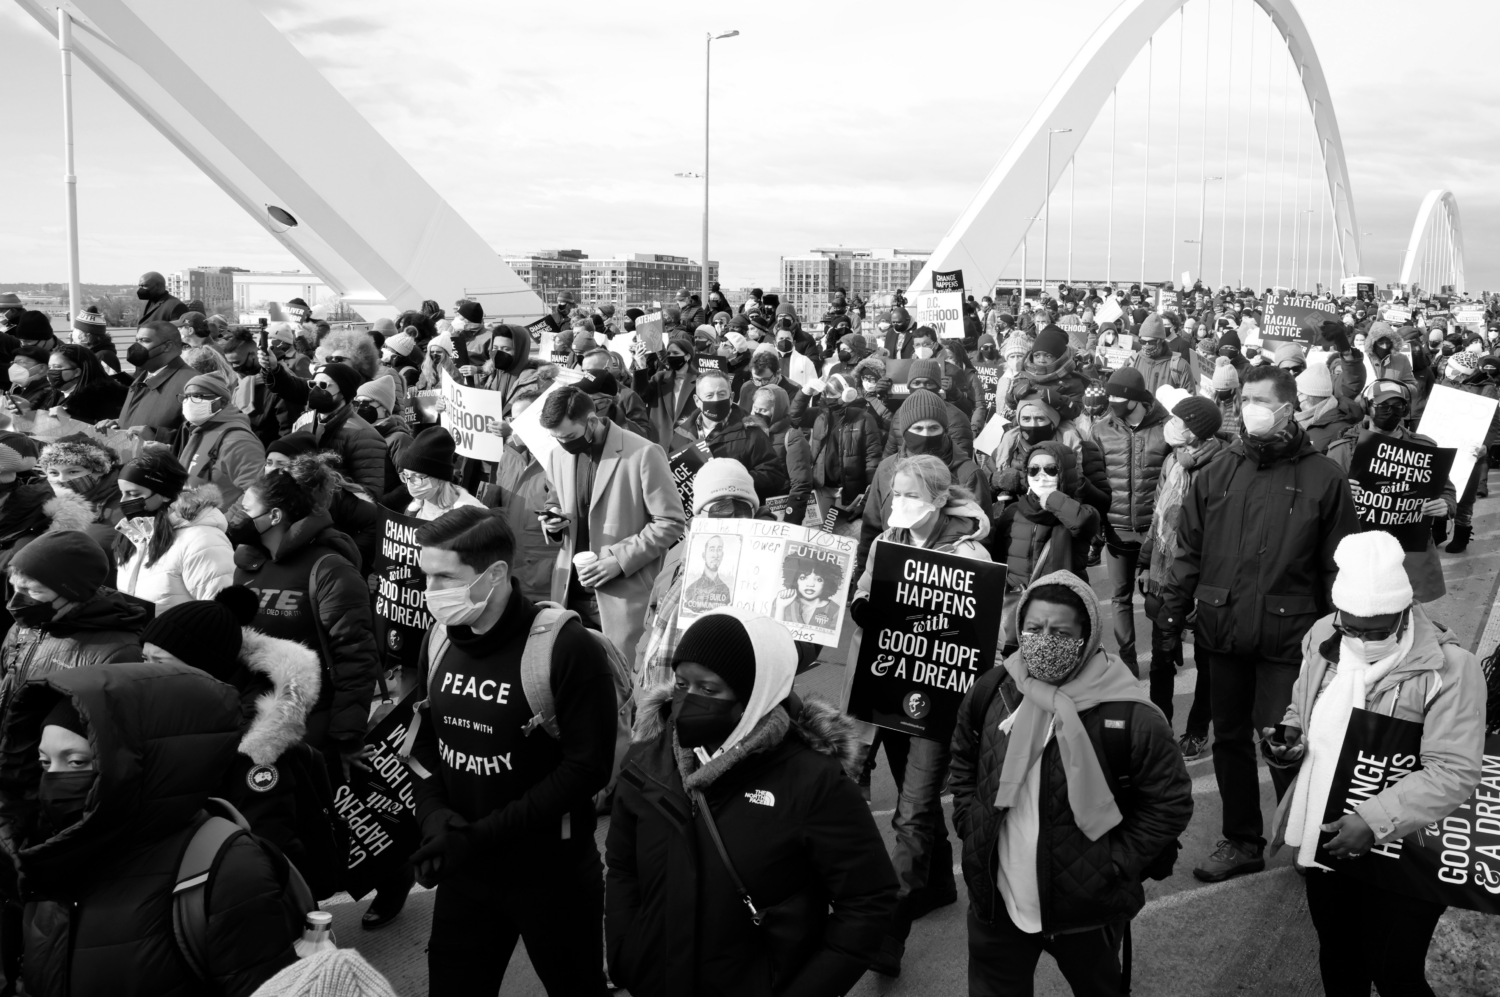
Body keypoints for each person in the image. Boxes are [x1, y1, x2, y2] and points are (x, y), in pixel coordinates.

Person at [606, 609, 898, 997]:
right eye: (680, 684)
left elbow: (867, 900)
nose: (686, 701)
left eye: (708, 690)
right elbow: (624, 867)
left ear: (755, 696)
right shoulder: (646, 764)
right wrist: (626, 949)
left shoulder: (813, 782)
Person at [404, 507, 617, 995]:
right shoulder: (438, 638)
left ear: (494, 574)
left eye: (444, 576)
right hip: (466, 872)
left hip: (552, 879)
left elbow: (587, 769)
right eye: (426, 575)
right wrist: (434, 816)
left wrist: (478, 836)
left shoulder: (566, 647)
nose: (430, 591)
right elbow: (426, 740)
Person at [1158, 365, 1359, 883]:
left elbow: (1338, 567)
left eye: (1261, 399)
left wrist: (1341, 634)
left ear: (1290, 407)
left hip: (1289, 641)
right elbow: (1190, 548)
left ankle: (1306, 833)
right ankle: (1242, 839)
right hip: (1222, 632)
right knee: (1228, 740)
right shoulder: (1220, 470)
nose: (1249, 407)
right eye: (1244, 397)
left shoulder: (1324, 477)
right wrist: (1170, 610)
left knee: (1286, 741)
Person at [950, 571, 1193, 997]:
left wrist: (1113, 865)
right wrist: (971, 823)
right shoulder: (995, 691)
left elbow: (1168, 803)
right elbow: (966, 759)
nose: (1043, 641)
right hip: (998, 900)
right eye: (1033, 628)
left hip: (1088, 907)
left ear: (1087, 636)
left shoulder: (1131, 716)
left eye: (1059, 632)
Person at [0, 662, 305, 995]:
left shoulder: (226, 869)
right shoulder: (46, 852)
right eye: (45, 762)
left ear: (139, 764)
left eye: (77, 763)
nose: (53, 780)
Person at [1266, 531, 1484, 997]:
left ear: (1405, 612)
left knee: (1394, 971)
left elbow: (1454, 770)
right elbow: (1305, 708)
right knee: (1339, 958)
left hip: (1406, 852)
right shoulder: (1324, 635)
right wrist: (1289, 738)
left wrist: (1373, 819)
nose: (1362, 641)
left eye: (1378, 630)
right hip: (1328, 838)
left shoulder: (1450, 669)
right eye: (1353, 628)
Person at [848, 453, 991, 976]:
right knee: (916, 793)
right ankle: (935, 884)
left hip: (935, 700)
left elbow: (978, 633)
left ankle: (891, 928)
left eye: (910, 495)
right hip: (885, 687)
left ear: (937, 498)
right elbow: (864, 591)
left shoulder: (968, 553)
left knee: (912, 807)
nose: (899, 504)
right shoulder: (888, 542)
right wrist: (863, 606)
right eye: (894, 495)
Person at [136, 587, 340, 897]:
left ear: (203, 666)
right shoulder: (176, 704)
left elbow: (268, 840)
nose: (145, 671)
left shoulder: (256, 743)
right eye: (144, 658)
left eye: (160, 661)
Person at [233, 458, 380, 779]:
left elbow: (356, 658)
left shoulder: (330, 569)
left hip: (309, 725)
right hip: (248, 719)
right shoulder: (247, 566)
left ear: (274, 516)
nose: (236, 515)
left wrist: (346, 737)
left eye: (246, 508)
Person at [541, 384, 687, 668]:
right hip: (569, 594)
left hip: (623, 597)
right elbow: (554, 499)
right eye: (556, 438)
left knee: (623, 685)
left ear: (592, 421)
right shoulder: (556, 455)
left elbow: (670, 522)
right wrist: (552, 519)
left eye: (569, 436)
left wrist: (618, 560)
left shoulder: (644, 453)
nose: (563, 444)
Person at [1138, 393, 1230, 760]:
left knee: (1206, 661)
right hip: (1164, 573)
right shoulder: (1174, 461)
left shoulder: (1221, 468)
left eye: (1178, 420)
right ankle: (1160, 728)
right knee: (1161, 659)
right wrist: (1146, 562)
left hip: (1202, 581)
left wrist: (1199, 589)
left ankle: (1196, 731)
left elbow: (1218, 534)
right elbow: (1158, 518)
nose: (1170, 425)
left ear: (1195, 431)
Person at [1324, 379, 1454, 599]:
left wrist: (1446, 505)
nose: (1390, 411)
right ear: (1368, 407)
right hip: (1362, 551)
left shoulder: (1424, 448)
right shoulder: (1343, 449)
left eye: (1398, 406)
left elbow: (1447, 491)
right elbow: (1324, 500)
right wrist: (1344, 493)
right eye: (1383, 405)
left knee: (1412, 617)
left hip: (1410, 552)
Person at [0, 530, 150, 712]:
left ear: (72, 593)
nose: (16, 601)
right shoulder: (23, 627)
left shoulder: (119, 653)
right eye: (14, 587)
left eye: (32, 590)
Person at [1091, 367, 1171, 675]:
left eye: (1117, 396)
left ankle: (1165, 652)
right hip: (1117, 529)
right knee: (1120, 597)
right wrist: (1098, 526)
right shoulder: (1100, 430)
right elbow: (1095, 479)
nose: (1111, 401)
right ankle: (1127, 662)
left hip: (1156, 532)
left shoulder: (1167, 428)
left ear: (1136, 399)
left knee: (1156, 598)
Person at [859, 389, 988, 579]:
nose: (926, 434)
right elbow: (871, 529)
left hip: (947, 578)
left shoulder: (969, 473)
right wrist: (862, 588)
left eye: (933, 428)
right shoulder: (887, 469)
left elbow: (983, 535)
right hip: (892, 573)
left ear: (944, 429)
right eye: (918, 429)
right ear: (905, 431)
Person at [993, 441, 1100, 651]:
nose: (1041, 476)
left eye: (1051, 469)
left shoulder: (1082, 512)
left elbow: (1081, 523)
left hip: (1059, 613)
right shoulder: (1013, 512)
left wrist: (1051, 498)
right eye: (1034, 469)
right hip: (1018, 611)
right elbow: (998, 561)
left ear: (1065, 473)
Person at [115, 448, 234, 611]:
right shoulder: (134, 534)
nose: (124, 501)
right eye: (122, 493)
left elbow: (222, 616)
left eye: (133, 493)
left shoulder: (203, 540)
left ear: (164, 494)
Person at [262, 433, 381, 574]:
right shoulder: (262, 493)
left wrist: (349, 554)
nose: (271, 470)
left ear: (298, 467)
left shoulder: (332, 495)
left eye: (281, 464)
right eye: (269, 463)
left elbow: (375, 520)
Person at [673, 369, 789, 503]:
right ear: (697, 400)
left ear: (731, 397)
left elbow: (775, 477)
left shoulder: (751, 432)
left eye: (722, 394)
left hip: (737, 516)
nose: (716, 400)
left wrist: (732, 480)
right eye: (709, 395)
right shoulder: (680, 434)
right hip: (697, 518)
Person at [491, 386, 557, 604]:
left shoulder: (558, 459)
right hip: (509, 565)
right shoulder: (508, 455)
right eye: (512, 418)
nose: (514, 425)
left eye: (522, 418)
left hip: (543, 573)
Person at [173, 372, 266, 509]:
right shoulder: (199, 431)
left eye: (198, 396)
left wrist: (228, 524)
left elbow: (256, 494)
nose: (189, 402)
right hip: (193, 522)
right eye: (186, 397)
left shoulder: (238, 441)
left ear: (221, 402)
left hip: (218, 526)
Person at [296, 361, 388, 496]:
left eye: (323, 386)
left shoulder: (363, 435)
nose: (315, 390)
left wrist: (323, 493)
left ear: (343, 391)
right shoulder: (305, 422)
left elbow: (369, 494)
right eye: (312, 384)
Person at [747, 383, 814, 523]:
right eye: (755, 409)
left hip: (778, 512)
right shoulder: (748, 432)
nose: (758, 414)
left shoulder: (792, 437)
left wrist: (791, 519)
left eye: (764, 410)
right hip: (751, 509)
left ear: (777, 411)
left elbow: (801, 484)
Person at [392, 426, 486, 520]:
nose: (410, 483)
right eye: (405, 476)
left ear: (439, 477)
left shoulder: (469, 516)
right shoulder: (414, 509)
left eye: (417, 477)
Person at [355, 377, 415, 487]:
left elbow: (410, 485)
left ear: (384, 407)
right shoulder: (358, 435)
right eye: (356, 402)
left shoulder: (400, 439)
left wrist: (384, 503)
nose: (359, 407)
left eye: (365, 402)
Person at [46, 343, 126, 422]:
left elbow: (108, 431)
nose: (50, 372)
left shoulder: (103, 398)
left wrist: (68, 418)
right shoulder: (53, 397)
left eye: (57, 367)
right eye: (49, 367)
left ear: (76, 372)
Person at [1293, 361, 1361, 454]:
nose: (1298, 395)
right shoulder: (1300, 420)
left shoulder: (1341, 428)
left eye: (1301, 391)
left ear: (1313, 395)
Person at [1132, 314, 1196, 394]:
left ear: (1161, 340)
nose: (1146, 345)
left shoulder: (1180, 366)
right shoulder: (1132, 362)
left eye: (1151, 342)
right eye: (1143, 342)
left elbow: (1190, 400)